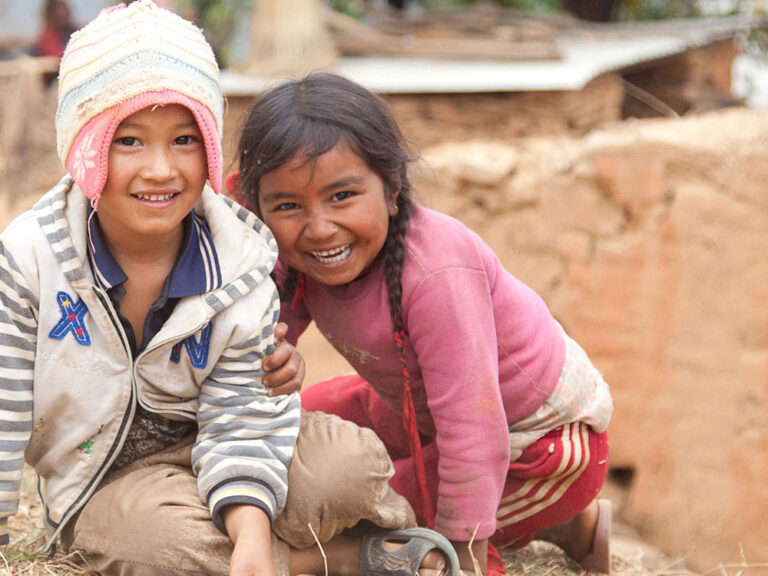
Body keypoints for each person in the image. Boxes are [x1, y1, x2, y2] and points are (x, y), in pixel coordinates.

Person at [0, 3, 462, 576]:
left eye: (185, 139)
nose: (161, 169)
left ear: (212, 146)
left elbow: (241, 415)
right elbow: (5, 406)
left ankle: (256, 553)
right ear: (83, 145)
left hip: (227, 451)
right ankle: (335, 560)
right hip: (106, 480)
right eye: (130, 142)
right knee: (152, 543)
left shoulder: (240, 258)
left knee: (349, 465)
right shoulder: (31, 259)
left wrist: (249, 537)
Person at [230, 72, 615, 576]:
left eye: (342, 196)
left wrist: (466, 557)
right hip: (415, 409)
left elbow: (474, 432)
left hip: (536, 445)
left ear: (392, 189)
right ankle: (569, 529)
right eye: (287, 206)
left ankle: (558, 520)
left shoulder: (436, 274)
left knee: (360, 505)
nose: (319, 227)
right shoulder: (298, 255)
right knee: (302, 428)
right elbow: (257, 355)